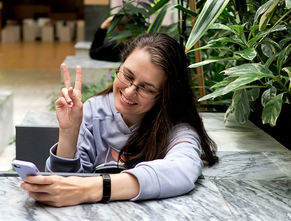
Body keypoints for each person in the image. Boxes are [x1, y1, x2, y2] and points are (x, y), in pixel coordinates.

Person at [21, 33, 218, 207]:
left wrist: (94, 188)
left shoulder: (177, 127)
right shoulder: (93, 111)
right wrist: (69, 132)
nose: (130, 91)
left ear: (165, 96)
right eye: (127, 75)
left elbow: (182, 170)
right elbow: (64, 184)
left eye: (147, 88)